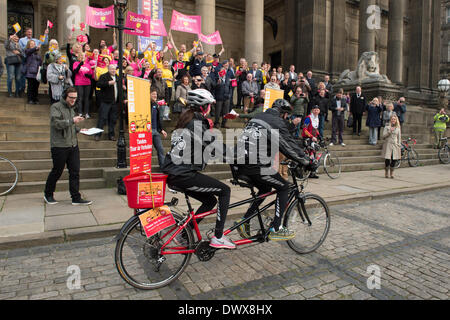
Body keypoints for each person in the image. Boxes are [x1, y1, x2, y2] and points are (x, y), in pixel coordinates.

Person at [162, 89, 236, 249]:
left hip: (176, 172)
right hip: (182, 174)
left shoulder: (187, 120)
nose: (210, 108)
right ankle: (218, 236)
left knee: (210, 200)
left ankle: (183, 233)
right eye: (209, 105)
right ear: (204, 107)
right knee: (225, 190)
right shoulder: (196, 123)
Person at [233, 99, 310, 240]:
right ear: (284, 115)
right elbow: (288, 145)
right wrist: (306, 161)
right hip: (255, 165)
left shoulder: (258, 117)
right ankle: (276, 227)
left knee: (265, 189)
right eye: (287, 116)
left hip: (239, 164)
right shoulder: (277, 121)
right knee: (284, 187)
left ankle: (244, 221)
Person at [44, 87, 92, 206]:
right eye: (71, 98)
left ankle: (76, 197)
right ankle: (48, 194)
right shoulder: (56, 107)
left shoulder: (71, 108)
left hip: (73, 145)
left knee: (75, 172)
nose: (73, 100)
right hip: (59, 146)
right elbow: (57, 124)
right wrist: (72, 120)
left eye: (75, 98)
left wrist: (80, 130)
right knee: (57, 171)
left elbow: (70, 126)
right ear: (65, 96)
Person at [95, 64, 119, 141]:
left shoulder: (118, 77)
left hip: (115, 102)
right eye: (112, 69)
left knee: (113, 119)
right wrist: (108, 83)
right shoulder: (103, 76)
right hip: (105, 101)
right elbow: (98, 85)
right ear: (108, 69)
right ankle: (97, 135)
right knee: (102, 118)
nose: (113, 70)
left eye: (114, 69)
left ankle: (111, 135)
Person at [150, 88, 168, 166]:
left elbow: (158, 119)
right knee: (148, 151)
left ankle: (163, 167)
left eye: (156, 94)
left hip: (155, 130)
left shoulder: (156, 105)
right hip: (148, 131)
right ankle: (146, 168)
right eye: (153, 94)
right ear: (149, 95)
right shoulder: (146, 104)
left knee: (160, 149)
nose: (155, 96)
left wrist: (161, 130)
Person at [4, 33, 24, 98]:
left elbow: (23, 54)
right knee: (10, 77)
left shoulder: (19, 45)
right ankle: (9, 92)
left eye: (17, 37)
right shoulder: (9, 43)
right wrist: (10, 39)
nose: (15, 38)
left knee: (18, 78)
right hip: (11, 61)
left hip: (18, 62)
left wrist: (19, 52)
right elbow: (6, 45)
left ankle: (17, 92)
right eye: (14, 37)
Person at [382, 114, 402, 179]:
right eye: (392, 119)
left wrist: (399, 144)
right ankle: (386, 172)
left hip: (395, 145)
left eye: (394, 119)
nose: (393, 120)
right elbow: (383, 136)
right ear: (390, 120)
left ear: (396, 120)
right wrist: (389, 132)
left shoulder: (398, 128)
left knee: (394, 159)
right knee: (387, 159)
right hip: (388, 144)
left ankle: (392, 173)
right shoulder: (387, 127)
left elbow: (399, 137)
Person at [24, 40, 43, 104]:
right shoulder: (27, 51)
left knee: (36, 87)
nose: (33, 45)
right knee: (30, 86)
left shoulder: (37, 54)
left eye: (34, 44)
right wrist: (35, 48)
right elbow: (29, 51)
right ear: (29, 45)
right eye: (31, 44)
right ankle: (30, 99)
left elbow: (40, 62)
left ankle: (35, 98)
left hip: (37, 72)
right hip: (30, 72)